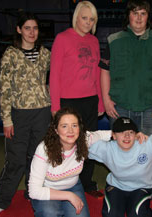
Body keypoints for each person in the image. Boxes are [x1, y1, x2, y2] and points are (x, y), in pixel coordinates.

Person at [0, 12, 51, 217]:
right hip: (19, 115)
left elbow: (54, 79)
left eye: (35, 28)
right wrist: (7, 119)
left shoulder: (45, 53)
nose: (31, 32)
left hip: (42, 113)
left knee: (38, 157)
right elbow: (5, 89)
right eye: (27, 28)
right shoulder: (11, 54)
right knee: (16, 159)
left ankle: (32, 191)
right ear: (19, 29)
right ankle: (1, 200)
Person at [50, 1, 104, 198]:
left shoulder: (94, 41)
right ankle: (65, 183)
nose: (88, 22)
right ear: (76, 17)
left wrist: (100, 101)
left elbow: (97, 73)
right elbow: (54, 75)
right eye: (84, 18)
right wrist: (55, 106)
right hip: (68, 102)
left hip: (90, 100)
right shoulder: (62, 39)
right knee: (67, 145)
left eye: (92, 19)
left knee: (88, 144)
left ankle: (87, 182)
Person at [100, 0, 152, 136]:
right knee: (121, 151)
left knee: (145, 152)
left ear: (148, 16)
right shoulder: (114, 41)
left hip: (150, 107)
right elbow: (105, 71)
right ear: (128, 15)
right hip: (119, 106)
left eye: (143, 13)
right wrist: (106, 100)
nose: (139, 18)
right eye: (135, 13)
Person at [28, 107, 112, 217]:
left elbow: (102, 134)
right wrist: (69, 195)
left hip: (73, 186)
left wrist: (133, 133)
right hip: (48, 188)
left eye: (74, 125)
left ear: (79, 128)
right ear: (56, 130)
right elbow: (34, 191)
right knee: (50, 213)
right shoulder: (44, 149)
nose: (70, 131)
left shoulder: (84, 139)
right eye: (64, 126)